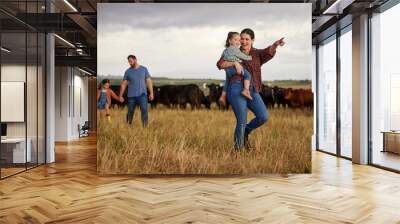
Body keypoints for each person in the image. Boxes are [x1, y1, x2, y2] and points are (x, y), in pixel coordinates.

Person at [216, 28, 285, 150]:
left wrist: (275, 45)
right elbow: (220, 64)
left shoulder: (257, 54)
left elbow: (268, 52)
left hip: (253, 90)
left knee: (263, 116)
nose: (243, 41)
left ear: (252, 40)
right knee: (241, 120)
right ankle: (238, 150)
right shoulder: (233, 52)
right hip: (236, 89)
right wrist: (234, 63)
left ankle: (246, 132)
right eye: (241, 38)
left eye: (247, 39)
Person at [119, 55, 154, 127]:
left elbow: (149, 81)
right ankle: (128, 126)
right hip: (131, 96)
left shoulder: (144, 69)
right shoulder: (128, 71)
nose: (130, 63)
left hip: (142, 95)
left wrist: (151, 93)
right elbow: (124, 84)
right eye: (129, 62)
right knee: (130, 112)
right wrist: (120, 95)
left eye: (131, 61)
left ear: (135, 60)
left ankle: (145, 127)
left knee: (144, 111)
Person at [221, 31, 253, 101]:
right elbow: (242, 56)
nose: (238, 42)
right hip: (234, 69)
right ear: (229, 41)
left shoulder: (225, 50)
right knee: (248, 75)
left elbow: (222, 59)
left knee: (227, 81)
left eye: (239, 40)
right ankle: (246, 90)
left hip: (228, 70)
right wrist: (250, 57)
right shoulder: (235, 49)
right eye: (235, 40)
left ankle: (223, 96)